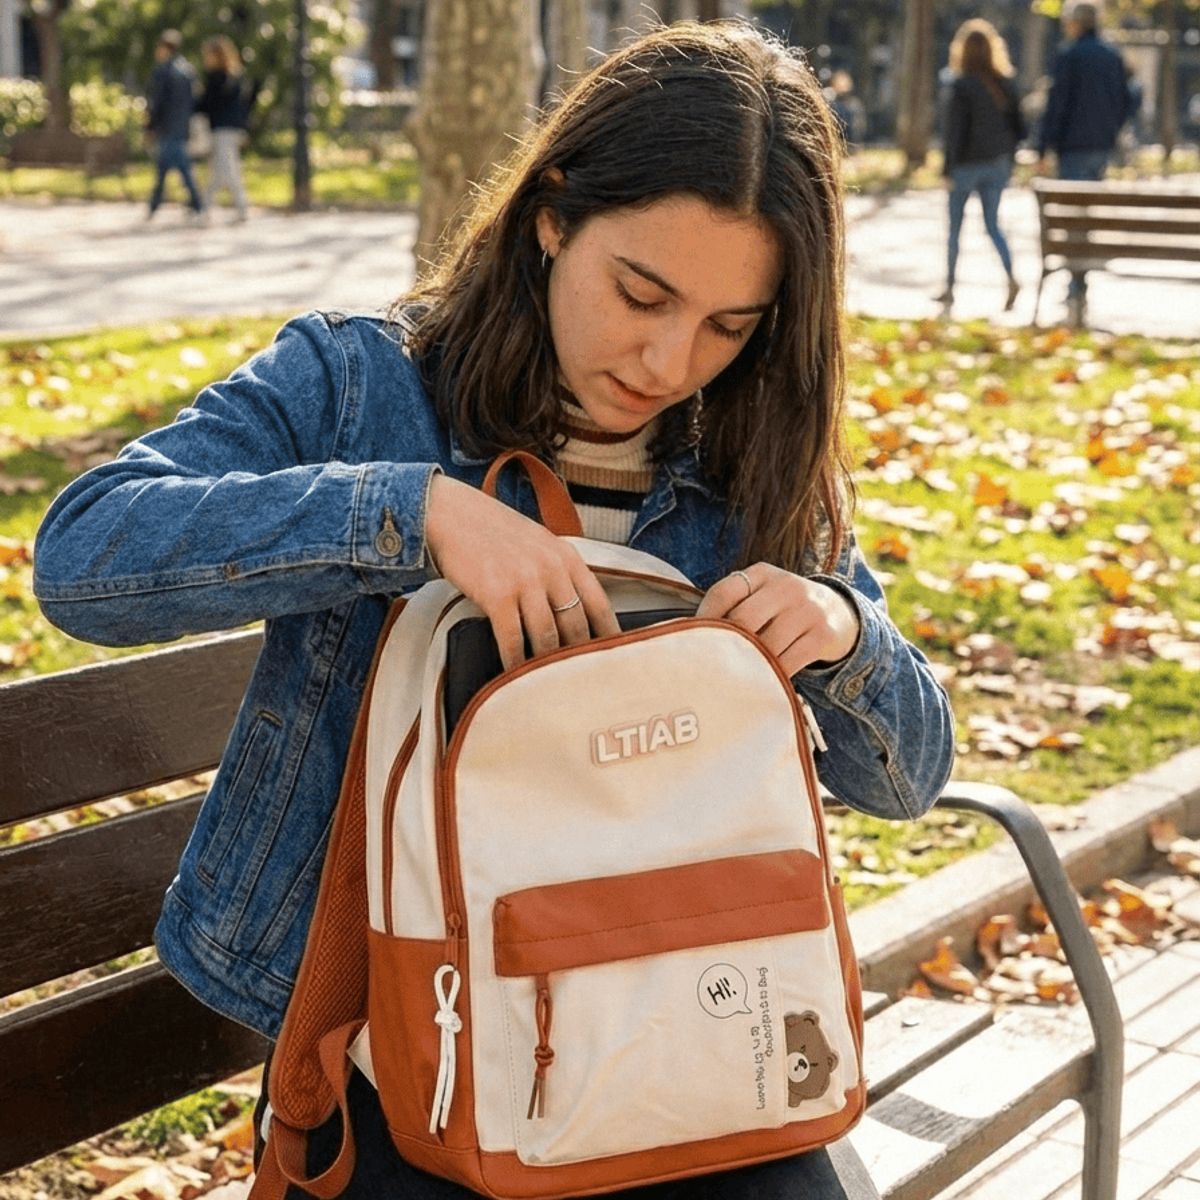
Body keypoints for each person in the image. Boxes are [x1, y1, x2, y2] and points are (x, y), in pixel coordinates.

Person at [34, 22, 954, 1199]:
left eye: (731, 326)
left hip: (684, 1037)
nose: (671, 361)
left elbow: (909, 776)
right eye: (643, 292)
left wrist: (838, 630)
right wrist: (410, 513)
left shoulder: (753, 458)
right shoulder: (362, 387)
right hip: (406, 1050)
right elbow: (85, 552)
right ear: (551, 216)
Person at [1035, 1, 1135, 324]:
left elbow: (1057, 104)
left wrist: (1041, 146)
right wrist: (1111, 129)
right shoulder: (1111, 56)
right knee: (1086, 216)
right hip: (1100, 146)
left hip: (1073, 147)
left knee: (1074, 219)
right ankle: (1080, 284)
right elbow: (1126, 100)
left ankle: (1077, 285)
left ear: (1078, 24)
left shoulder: (1070, 56)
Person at [938, 19, 1025, 314]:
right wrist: (1007, 156)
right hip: (997, 163)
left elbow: (954, 132)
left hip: (965, 165)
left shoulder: (960, 85)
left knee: (955, 229)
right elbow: (1020, 128)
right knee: (992, 224)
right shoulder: (1006, 83)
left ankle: (949, 287)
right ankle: (1011, 277)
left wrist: (947, 168)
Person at [195, 35, 256, 223]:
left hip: (223, 130)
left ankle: (240, 209)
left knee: (227, 171)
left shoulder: (219, 79)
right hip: (228, 129)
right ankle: (206, 210)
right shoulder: (233, 77)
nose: (206, 58)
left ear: (217, 55)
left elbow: (206, 105)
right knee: (219, 172)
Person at [145, 28, 204, 222]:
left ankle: (196, 203)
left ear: (164, 47)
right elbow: (194, 101)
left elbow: (157, 102)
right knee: (167, 168)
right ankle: (156, 204)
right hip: (181, 126)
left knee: (179, 167)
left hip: (167, 127)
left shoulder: (163, 72)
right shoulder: (187, 70)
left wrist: (150, 126)